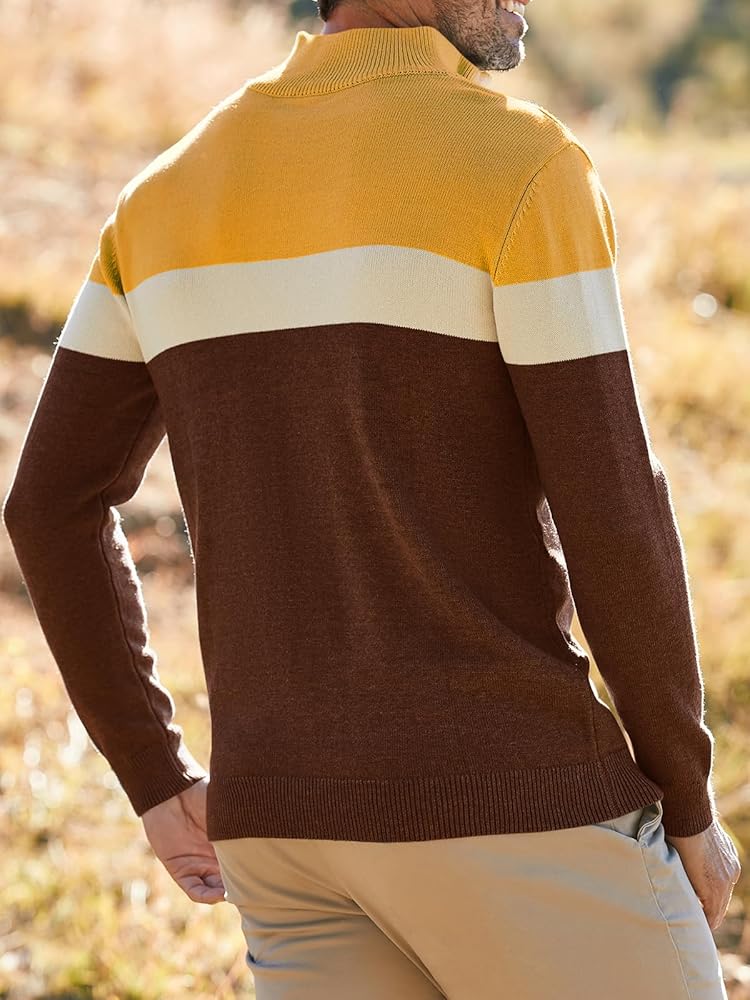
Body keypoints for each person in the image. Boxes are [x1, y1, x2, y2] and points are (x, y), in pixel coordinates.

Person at [3, 0, 742, 995]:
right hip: (515, 812)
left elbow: (47, 503)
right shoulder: (522, 165)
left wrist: (155, 775)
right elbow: (613, 507)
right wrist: (688, 803)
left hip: (287, 841)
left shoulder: (162, 197)